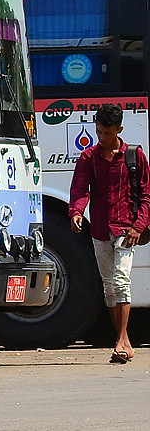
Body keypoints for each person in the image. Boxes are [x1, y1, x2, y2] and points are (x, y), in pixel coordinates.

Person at [69, 104, 150, 363]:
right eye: (98, 132)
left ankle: (121, 339)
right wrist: (76, 212)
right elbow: (81, 190)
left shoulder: (135, 156)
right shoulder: (88, 157)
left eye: (106, 132)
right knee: (108, 288)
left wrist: (138, 226)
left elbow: (146, 195)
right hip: (100, 229)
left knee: (121, 281)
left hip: (126, 229)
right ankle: (123, 339)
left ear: (119, 130)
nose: (101, 137)